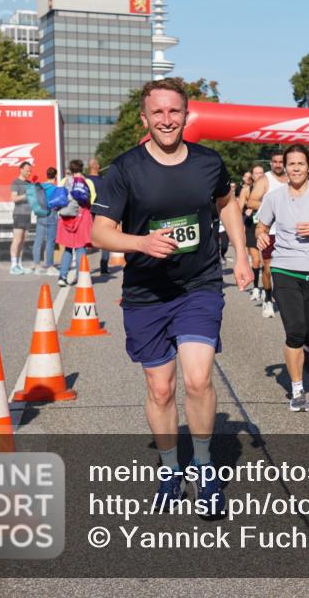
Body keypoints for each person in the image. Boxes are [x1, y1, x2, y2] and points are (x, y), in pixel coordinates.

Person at [90, 78, 253, 513]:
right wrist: (141, 243)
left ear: (186, 115)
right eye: (157, 113)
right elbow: (99, 232)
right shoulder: (124, 169)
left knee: (198, 379)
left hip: (198, 286)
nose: (166, 119)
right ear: (144, 119)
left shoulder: (208, 162)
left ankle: (203, 469)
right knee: (161, 389)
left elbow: (226, 204)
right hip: (146, 293)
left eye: (174, 111)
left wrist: (241, 255)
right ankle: (169, 468)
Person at [256, 145, 309, 412]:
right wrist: (261, 234)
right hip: (285, 269)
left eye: (300, 164)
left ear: (308, 167)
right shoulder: (274, 198)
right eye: (290, 163)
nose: (295, 168)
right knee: (294, 331)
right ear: (284, 166)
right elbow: (261, 225)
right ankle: (297, 390)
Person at [247, 151, 287, 318]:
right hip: (270, 230)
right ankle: (268, 300)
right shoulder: (265, 180)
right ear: (270, 163)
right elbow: (252, 201)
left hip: (289, 232)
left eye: (280, 162)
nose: (278, 164)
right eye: (274, 162)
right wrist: (272, 205)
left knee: (287, 269)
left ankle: (286, 299)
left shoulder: (293, 178)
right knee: (268, 269)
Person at [55, 160, 94, 287]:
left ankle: (62, 276)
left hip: (66, 218)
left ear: (70, 169)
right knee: (80, 248)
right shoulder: (87, 182)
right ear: (82, 168)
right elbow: (92, 199)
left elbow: (58, 198)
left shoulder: (63, 181)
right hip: (81, 217)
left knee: (67, 248)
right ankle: (80, 277)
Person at [238, 165, 264, 301]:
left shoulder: (270, 190)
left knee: (267, 261)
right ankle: (255, 287)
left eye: (261, 173)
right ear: (252, 176)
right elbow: (238, 210)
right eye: (256, 173)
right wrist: (246, 214)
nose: (259, 175)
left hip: (266, 227)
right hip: (251, 227)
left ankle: (266, 287)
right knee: (256, 259)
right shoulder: (246, 190)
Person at [32, 166, 60, 276]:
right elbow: (57, 203)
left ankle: (37, 265)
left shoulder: (40, 186)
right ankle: (50, 266)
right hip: (51, 215)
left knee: (38, 240)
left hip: (40, 215)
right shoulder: (54, 188)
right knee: (50, 242)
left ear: (47, 175)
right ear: (55, 176)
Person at [85, 158, 111, 275]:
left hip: (88, 212)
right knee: (104, 240)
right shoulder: (103, 181)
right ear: (95, 166)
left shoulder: (84, 181)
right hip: (100, 212)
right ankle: (104, 268)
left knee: (85, 240)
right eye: (98, 164)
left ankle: (82, 267)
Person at [9, 161, 34, 274]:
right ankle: (13, 266)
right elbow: (14, 198)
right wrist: (26, 195)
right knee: (17, 239)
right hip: (19, 214)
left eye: (30, 170)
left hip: (27, 214)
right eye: (27, 170)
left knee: (23, 241)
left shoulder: (29, 183)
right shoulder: (16, 182)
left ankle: (19, 265)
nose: (29, 172)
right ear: (21, 169)